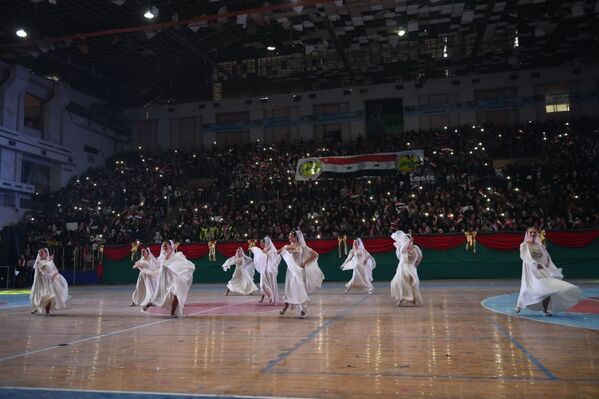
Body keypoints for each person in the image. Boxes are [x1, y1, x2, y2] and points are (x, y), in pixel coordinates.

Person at [514, 227, 581, 316]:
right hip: (531, 271)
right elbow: (525, 256)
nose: (533, 234)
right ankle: (519, 304)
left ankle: (545, 310)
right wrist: (534, 263)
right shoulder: (524, 245)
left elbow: (547, 257)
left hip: (542, 270)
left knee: (548, 288)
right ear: (527, 233)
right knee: (528, 288)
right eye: (531, 232)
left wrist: (547, 266)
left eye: (534, 232)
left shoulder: (540, 245)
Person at [277, 230, 323, 318]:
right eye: (289, 236)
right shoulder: (287, 246)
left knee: (300, 288)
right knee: (289, 289)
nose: (289, 237)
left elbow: (315, 254)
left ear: (296, 237)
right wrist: (284, 248)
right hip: (291, 271)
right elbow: (277, 252)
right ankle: (286, 306)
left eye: (291, 236)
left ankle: (303, 309)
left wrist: (304, 263)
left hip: (300, 271)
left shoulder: (303, 247)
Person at [143, 240, 195, 317]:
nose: (164, 247)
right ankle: (150, 304)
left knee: (177, 294)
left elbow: (176, 264)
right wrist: (173, 248)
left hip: (172, 278)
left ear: (169, 245)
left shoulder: (174, 255)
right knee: (161, 298)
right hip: (165, 280)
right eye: (163, 246)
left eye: (166, 245)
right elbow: (166, 259)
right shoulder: (163, 255)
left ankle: (172, 313)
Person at [30, 248, 69, 316]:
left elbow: (55, 270)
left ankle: (47, 311)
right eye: (39, 253)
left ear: (46, 254)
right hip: (39, 282)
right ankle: (37, 307)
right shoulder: (39, 262)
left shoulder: (49, 262)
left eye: (41, 252)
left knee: (48, 296)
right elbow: (41, 269)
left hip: (46, 282)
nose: (40, 254)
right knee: (37, 295)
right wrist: (50, 262)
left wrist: (53, 276)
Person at [390, 231, 423, 306]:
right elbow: (403, 251)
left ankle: (414, 299)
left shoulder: (416, 247)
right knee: (401, 283)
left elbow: (420, 256)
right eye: (406, 240)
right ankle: (401, 299)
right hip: (403, 267)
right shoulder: (403, 248)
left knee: (414, 283)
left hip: (411, 267)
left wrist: (417, 263)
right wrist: (408, 242)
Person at [250, 236, 281, 305]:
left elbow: (263, 253)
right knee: (262, 285)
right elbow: (261, 255)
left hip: (269, 270)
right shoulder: (265, 249)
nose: (261, 245)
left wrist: (255, 249)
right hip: (264, 269)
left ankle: (273, 299)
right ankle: (270, 297)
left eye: (262, 243)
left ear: (265, 242)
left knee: (271, 285)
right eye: (260, 243)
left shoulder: (269, 248)